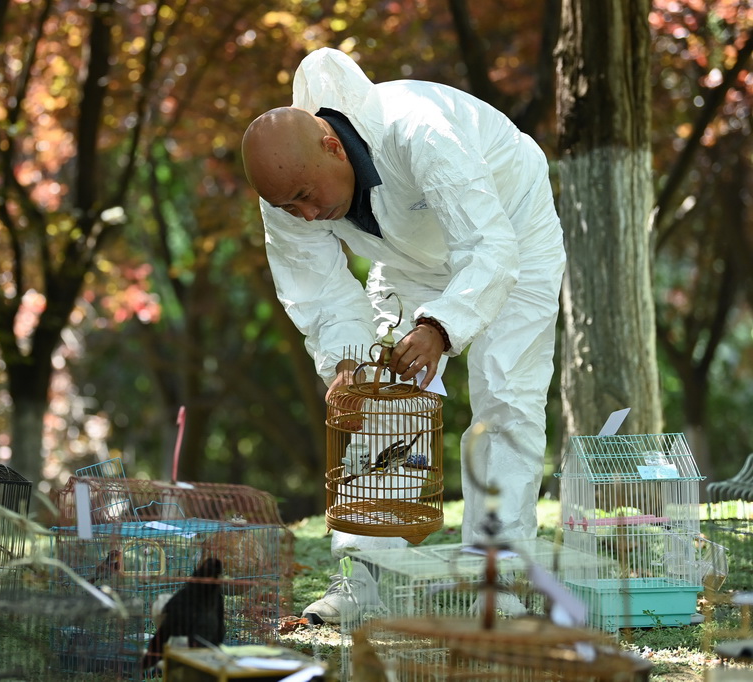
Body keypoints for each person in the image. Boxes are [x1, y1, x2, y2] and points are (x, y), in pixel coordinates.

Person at [241, 48, 565, 622]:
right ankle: (362, 582)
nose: (308, 216)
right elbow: (317, 291)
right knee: (374, 400)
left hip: (511, 231)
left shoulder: (418, 129)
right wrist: (345, 362)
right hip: (408, 262)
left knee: (506, 398)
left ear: (334, 147)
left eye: (309, 198)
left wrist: (441, 325)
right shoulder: (288, 196)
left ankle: (498, 580)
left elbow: (489, 248)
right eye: (291, 207)